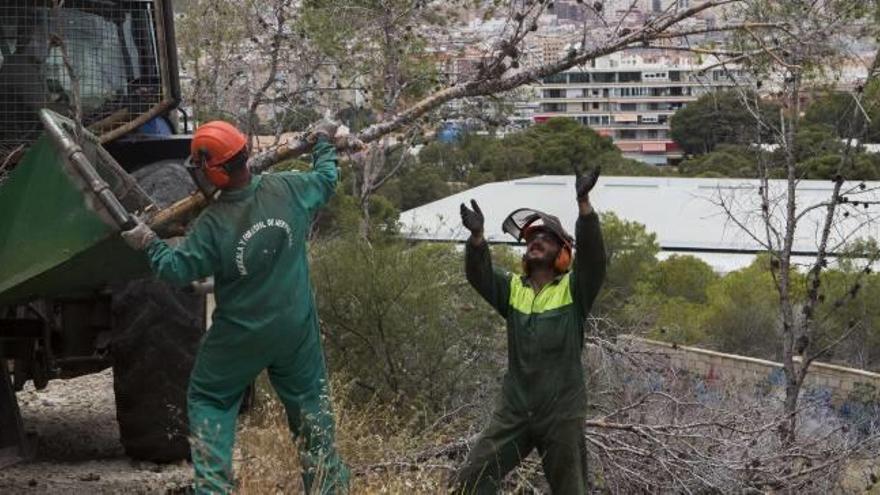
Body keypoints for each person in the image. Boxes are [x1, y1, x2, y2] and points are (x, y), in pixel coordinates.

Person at [120, 120, 350, 494]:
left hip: (241, 335)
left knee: (210, 397)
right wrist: (323, 141)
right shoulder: (289, 188)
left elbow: (175, 270)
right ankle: (327, 487)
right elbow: (326, 179)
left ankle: (212, 488)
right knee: (311, 408)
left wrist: (149, 241)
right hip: (295, 329)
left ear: (213, 170)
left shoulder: (212, 224)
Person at [453, 168, 606, 494]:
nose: (535, 241)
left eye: (546, 238)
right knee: (470, 480)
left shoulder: (574, 290)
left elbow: (594, 258)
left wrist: (583, 203)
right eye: (531, 238)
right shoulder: (513, 289)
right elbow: (479, 275)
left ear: (563, 252)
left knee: (571, 489)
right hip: (515, 411)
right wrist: (478, 239)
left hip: (562, 414)